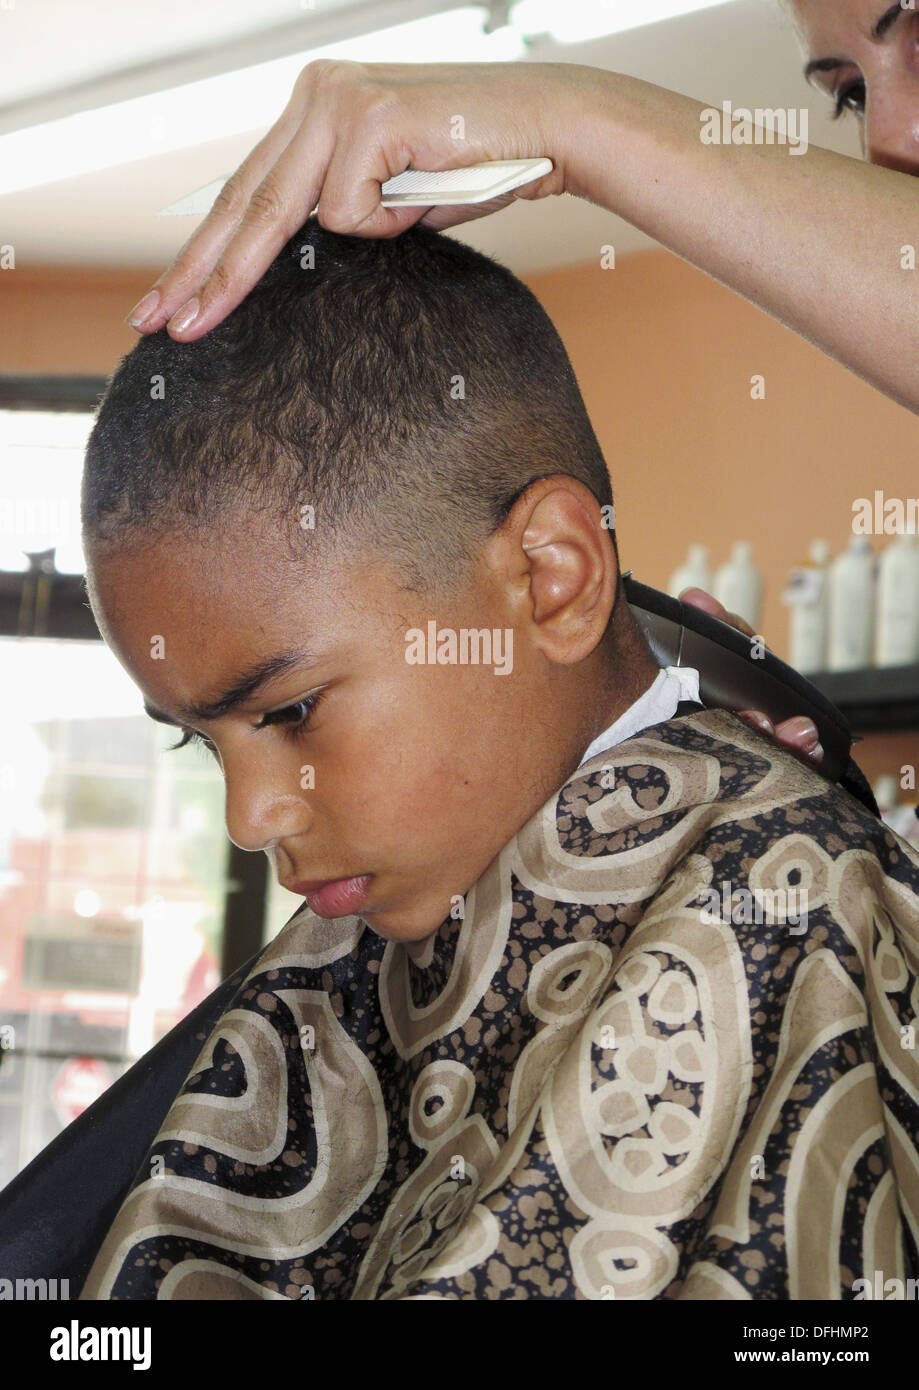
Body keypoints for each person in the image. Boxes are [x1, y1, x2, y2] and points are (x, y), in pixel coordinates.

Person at [19, 214, 914, 1299]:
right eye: (198, 742)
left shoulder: (782, 899)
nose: (250, 819)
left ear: (550, 576)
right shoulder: (373, 927)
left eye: (293, 711)